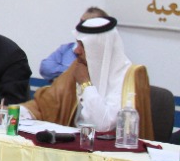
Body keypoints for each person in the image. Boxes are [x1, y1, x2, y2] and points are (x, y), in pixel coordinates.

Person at [20, 16, 154, 138]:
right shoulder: (79, 66)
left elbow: (102, 126)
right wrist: (18, 112)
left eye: (82, 45)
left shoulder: (129, 76)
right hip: (74, 143)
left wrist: (85, 84)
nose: (76, 50)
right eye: (77, 43)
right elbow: (47, 103)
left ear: (99, 48)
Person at [38, 6, 110, 79]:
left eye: (85, 22)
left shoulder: (103, 54)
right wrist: (72, 71)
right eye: (80, 21)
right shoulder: (67, 48)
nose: (79, 25)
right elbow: (45, 68)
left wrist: (62, 71)